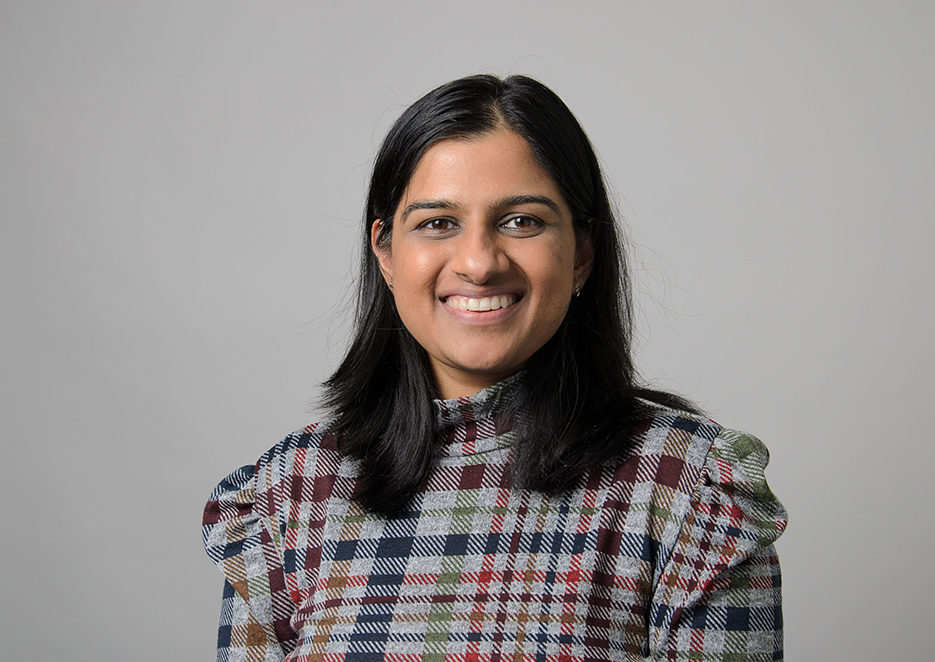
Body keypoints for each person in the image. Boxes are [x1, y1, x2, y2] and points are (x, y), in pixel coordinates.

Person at [203, 74, 786, 661]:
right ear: (384, 251)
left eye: (521, 221)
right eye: (437, 223)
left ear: (583, 252)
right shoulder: (287, 498)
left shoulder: (692, 492)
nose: (479, 263)